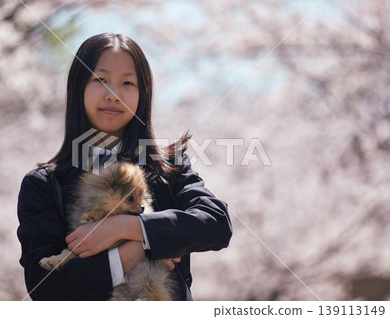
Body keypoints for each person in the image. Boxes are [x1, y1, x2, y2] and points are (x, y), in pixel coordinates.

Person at [17, 33, 232, 301]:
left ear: (143, 95)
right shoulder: (45, 184)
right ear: (78, 88)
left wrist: (126, 228)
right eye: (101, 80)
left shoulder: (169, 169)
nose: (113, 95)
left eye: (128, 83)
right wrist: (134, 251)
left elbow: (216, 224)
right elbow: (45, 289)